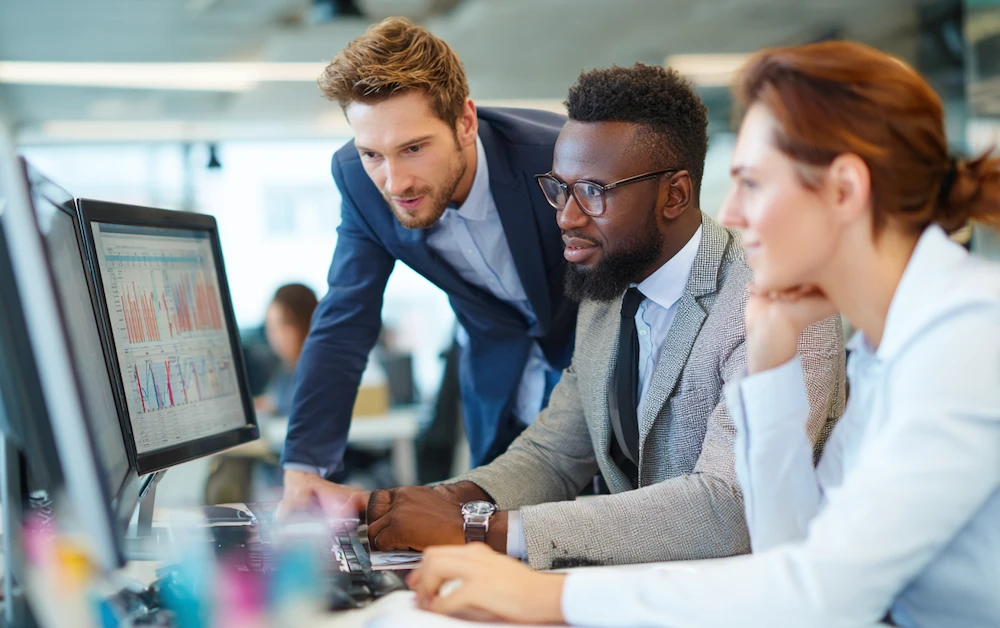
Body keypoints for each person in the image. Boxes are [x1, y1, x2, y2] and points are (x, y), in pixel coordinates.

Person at [405, 41, 1000, 628]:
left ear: (843, 190)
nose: (733, 213)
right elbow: (788, 547)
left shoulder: (966, 339)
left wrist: (551, 600)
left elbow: (824, 593)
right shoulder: (887, 348)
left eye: (753, 183)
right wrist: (770, 365)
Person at [287, 63, 846, 568]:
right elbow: (556, 452)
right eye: (560, 189)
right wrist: (429, 502)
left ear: (675, 195)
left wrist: (479, 531)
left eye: (594, 192)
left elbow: (728, 505)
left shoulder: (775, 305)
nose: (566, 218)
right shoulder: (605, 291)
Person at [281, 17, 578, 500]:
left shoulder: (558, 158)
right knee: (497, 531)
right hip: (498, 381)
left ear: (464, 122)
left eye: (413, 148)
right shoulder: (358, 181)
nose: (394, 183)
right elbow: (345, 318)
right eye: (373, 154)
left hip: (597, 374)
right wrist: (304, 466)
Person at [254, 283, 318, 416]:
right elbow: (274, 401)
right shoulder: (286, 369)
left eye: (286, 324)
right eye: (271, 328)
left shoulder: (321, 372)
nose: (278, 336)